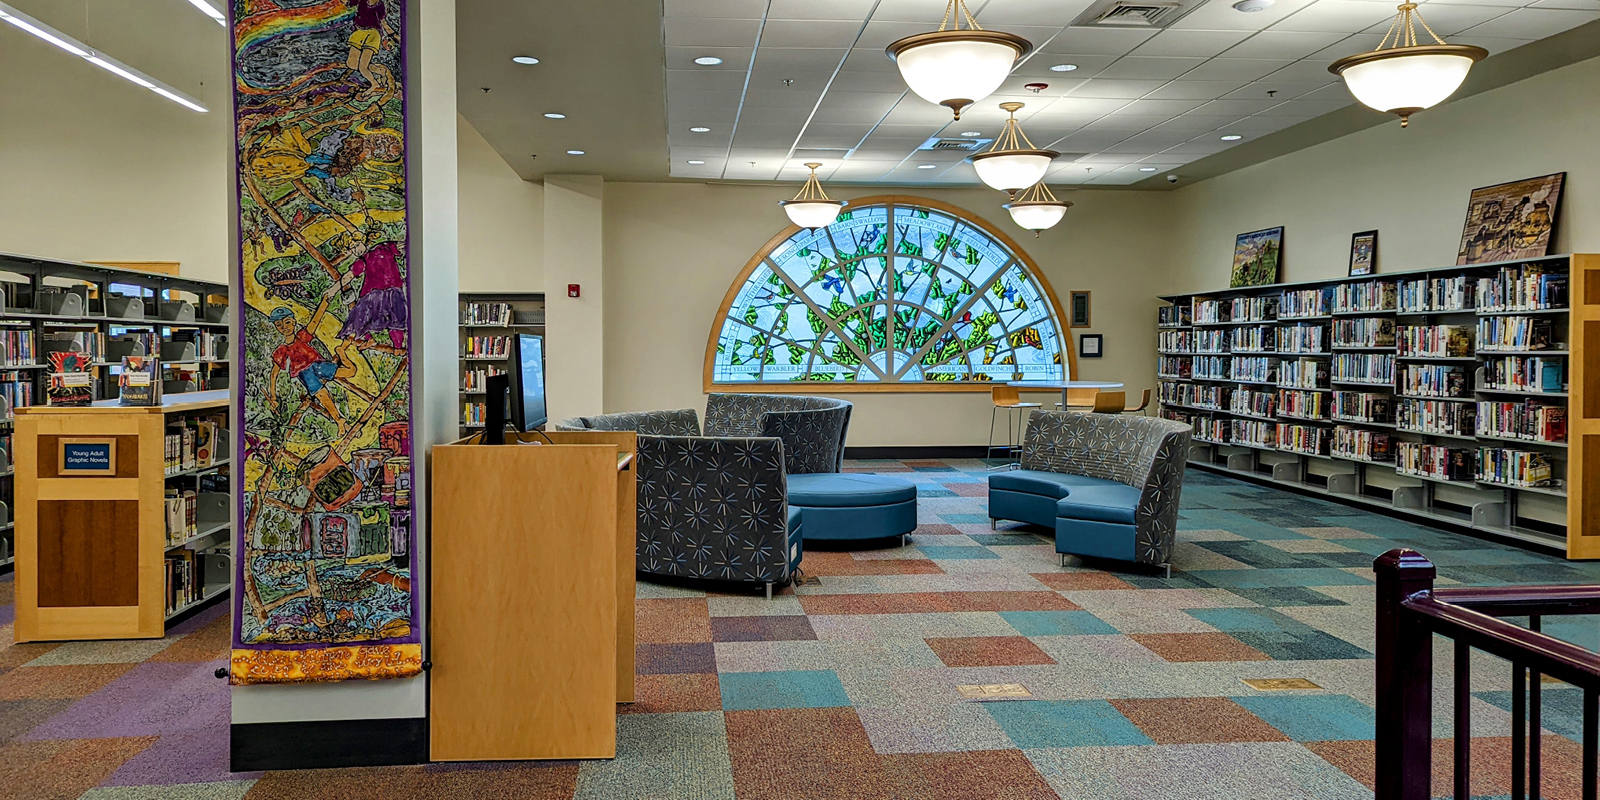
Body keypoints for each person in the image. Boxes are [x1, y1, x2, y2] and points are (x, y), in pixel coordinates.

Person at [269, 303, 357, 437]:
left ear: (293, 322)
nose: (284, 327)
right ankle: (340, 421)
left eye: (287, 322)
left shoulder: (302, 336)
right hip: (305, 373)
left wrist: (325, 302)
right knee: (322, 395)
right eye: (279, 325)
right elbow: (274, 374)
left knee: (351, 371)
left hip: (317, 365)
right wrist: (273, 397)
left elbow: (315, 321)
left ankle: (341, 351)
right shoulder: (282, 350)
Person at [338, 229, 407, 351]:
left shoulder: (383, 248)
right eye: (352, 249)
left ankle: (398, 346)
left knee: (396, 320)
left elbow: (400, 246)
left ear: (363, 241)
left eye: (356, 245)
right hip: (372, 294)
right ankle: (370, 339)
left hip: (391, 291)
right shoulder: (363, 259)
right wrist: (333, 291)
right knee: (362, 317)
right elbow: (349, 275)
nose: (356, 250)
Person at [346, 0, 395, 97]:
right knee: (351, 63)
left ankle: (374, 84)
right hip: (358, 32)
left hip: (372, 34)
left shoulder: (380, 5)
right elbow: (346, 3)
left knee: (363, 67)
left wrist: (393, 37)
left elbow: (383, 23)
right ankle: (379, 71)